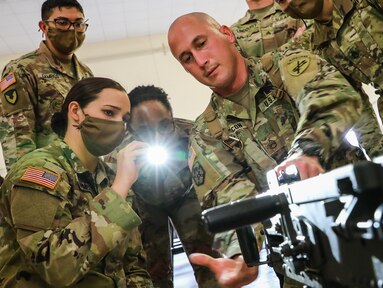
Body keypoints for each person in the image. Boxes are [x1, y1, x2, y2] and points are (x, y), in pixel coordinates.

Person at [168, 12, 364, 287]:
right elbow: (232, 198)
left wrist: (307, 151)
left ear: (227, 33)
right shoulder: (206, 134)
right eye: (187, 58)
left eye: (201, 43)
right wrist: (241, 256)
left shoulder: (287, 64)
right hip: (303, 260)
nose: (201, 61)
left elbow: (332, 98)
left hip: (363, 220)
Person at [0, 77, 153, 287]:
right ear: (75, 112)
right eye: (109, 113)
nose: (120, 125)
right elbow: (56, 267)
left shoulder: (109, 178)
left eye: (124, 118)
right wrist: (118, 191)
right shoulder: (39, 171)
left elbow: (133, 266)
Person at [105, 85, 220, 288]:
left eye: (164, 126)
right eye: (145, 132)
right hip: (144, 204)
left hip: (187, 195)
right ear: (130, 129)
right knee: (153, 271)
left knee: (207, 258)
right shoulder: (118, 154)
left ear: (172, 116)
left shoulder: (193, 135)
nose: (158, 138)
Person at [276, 0, 383, 150]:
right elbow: (356, 100)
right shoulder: (319, 45)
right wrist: (376, 152)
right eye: (281, 0)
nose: (289, 3)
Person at [0, 0, 93, 170]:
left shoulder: (86, 73)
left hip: (85, 174)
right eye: (62, 22)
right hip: (49, 175)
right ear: (44, 27)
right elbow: (17, 138)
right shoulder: (22, 69)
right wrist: (28, 184)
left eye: (78, 24)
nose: (72, 29)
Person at [231, 0, 310, 58]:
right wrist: (293, 44)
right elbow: (244, 70)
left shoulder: (296, 9)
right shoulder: (233, 33)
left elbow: (312, 41)